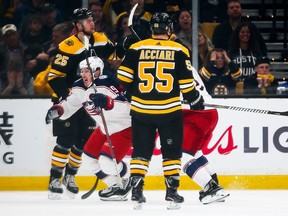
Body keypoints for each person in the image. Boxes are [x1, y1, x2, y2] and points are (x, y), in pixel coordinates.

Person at [117, 12, 204, 208]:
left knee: (140, 151)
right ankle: (172, 193)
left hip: (141, 111)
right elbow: (187, 85)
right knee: (171, 153)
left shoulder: (136, 48)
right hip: (169, 112)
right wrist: (195, 100)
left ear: (152, 29)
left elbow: (122, 80)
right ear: (169, 29)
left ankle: (137, 191)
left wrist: (134, 94)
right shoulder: (179, 49)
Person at [46, 7, 115, 200]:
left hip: (90, 99)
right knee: (65, 141)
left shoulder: (101, 39)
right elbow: (54, 76)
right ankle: (54, 179)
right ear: (78, 25)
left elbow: (116, 58)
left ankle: (70, 176)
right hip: (69, 98)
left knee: (82, 142)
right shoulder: (68, 45)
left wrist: (125, 47)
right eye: (87, 21)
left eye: (92, 19)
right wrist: (69, 97)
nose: (92, 23)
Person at [46, 56, 132, 201]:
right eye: (83, 71)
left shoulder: (108, 82)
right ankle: (116, 186)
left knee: (107, 162)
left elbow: (127, 108)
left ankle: (130, 179)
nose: (83, 74)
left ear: (97, 71)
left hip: (124, 126)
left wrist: (108, 102)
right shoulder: (79, 86)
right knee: (88, 158)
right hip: (105, 128)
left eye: (87, 71)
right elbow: (70, 104)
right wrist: (59, 110)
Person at [181, 66, 230, 204]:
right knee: (195, 153)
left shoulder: (164, 62)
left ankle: (211, 188)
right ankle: (215, 184)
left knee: (180, 156)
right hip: (210, 113)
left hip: (195, 114)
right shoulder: (186, 63)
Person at [0, 23, 34, 95]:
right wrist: (10, 86)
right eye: (7, 36)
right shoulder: (1, 53)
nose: (11, 37)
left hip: (25, 79)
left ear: (18, 34)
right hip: (4, 80)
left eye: (13, 34)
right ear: (3, 38)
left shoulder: (29, 49)